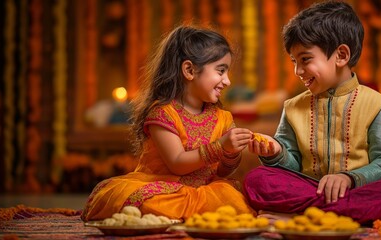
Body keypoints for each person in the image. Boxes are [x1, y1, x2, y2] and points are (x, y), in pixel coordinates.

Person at [244, 1, 381, 225]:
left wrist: (349, 179)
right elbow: (291, 167)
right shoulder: (293, 107)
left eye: (305, 59)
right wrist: (276, 152)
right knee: (257, 179)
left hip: (357, 191)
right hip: (309, 189)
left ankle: (304, 216)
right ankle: (334, 215)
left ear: (341, 55)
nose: (297, 71)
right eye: (293, 62)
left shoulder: (377, 105)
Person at [81, 26, 255, 221]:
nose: (227, 81)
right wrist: (219, 147)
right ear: (189, 70)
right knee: (149, 204)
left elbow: (222, 172)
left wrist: (232, 152)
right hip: (165, 188)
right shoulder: (163, 113)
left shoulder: (222, 118)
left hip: (206, 190)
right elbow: (177, 163)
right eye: (221, 71)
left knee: (234, 201)